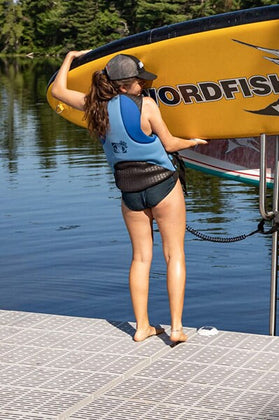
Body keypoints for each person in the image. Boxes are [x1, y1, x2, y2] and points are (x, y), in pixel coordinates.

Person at [51, 50, 207, 344]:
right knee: (174, 253)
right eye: (139, 82)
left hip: (129, 191)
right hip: (163, 185)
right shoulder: (146, 105)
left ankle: (142, 327)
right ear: (124, 85)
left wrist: (70, 57)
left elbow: (57, 90)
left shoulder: (92, 107)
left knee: (140, 258)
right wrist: (195, 141)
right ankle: (175, 329)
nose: (143, 86)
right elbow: (171, 144)